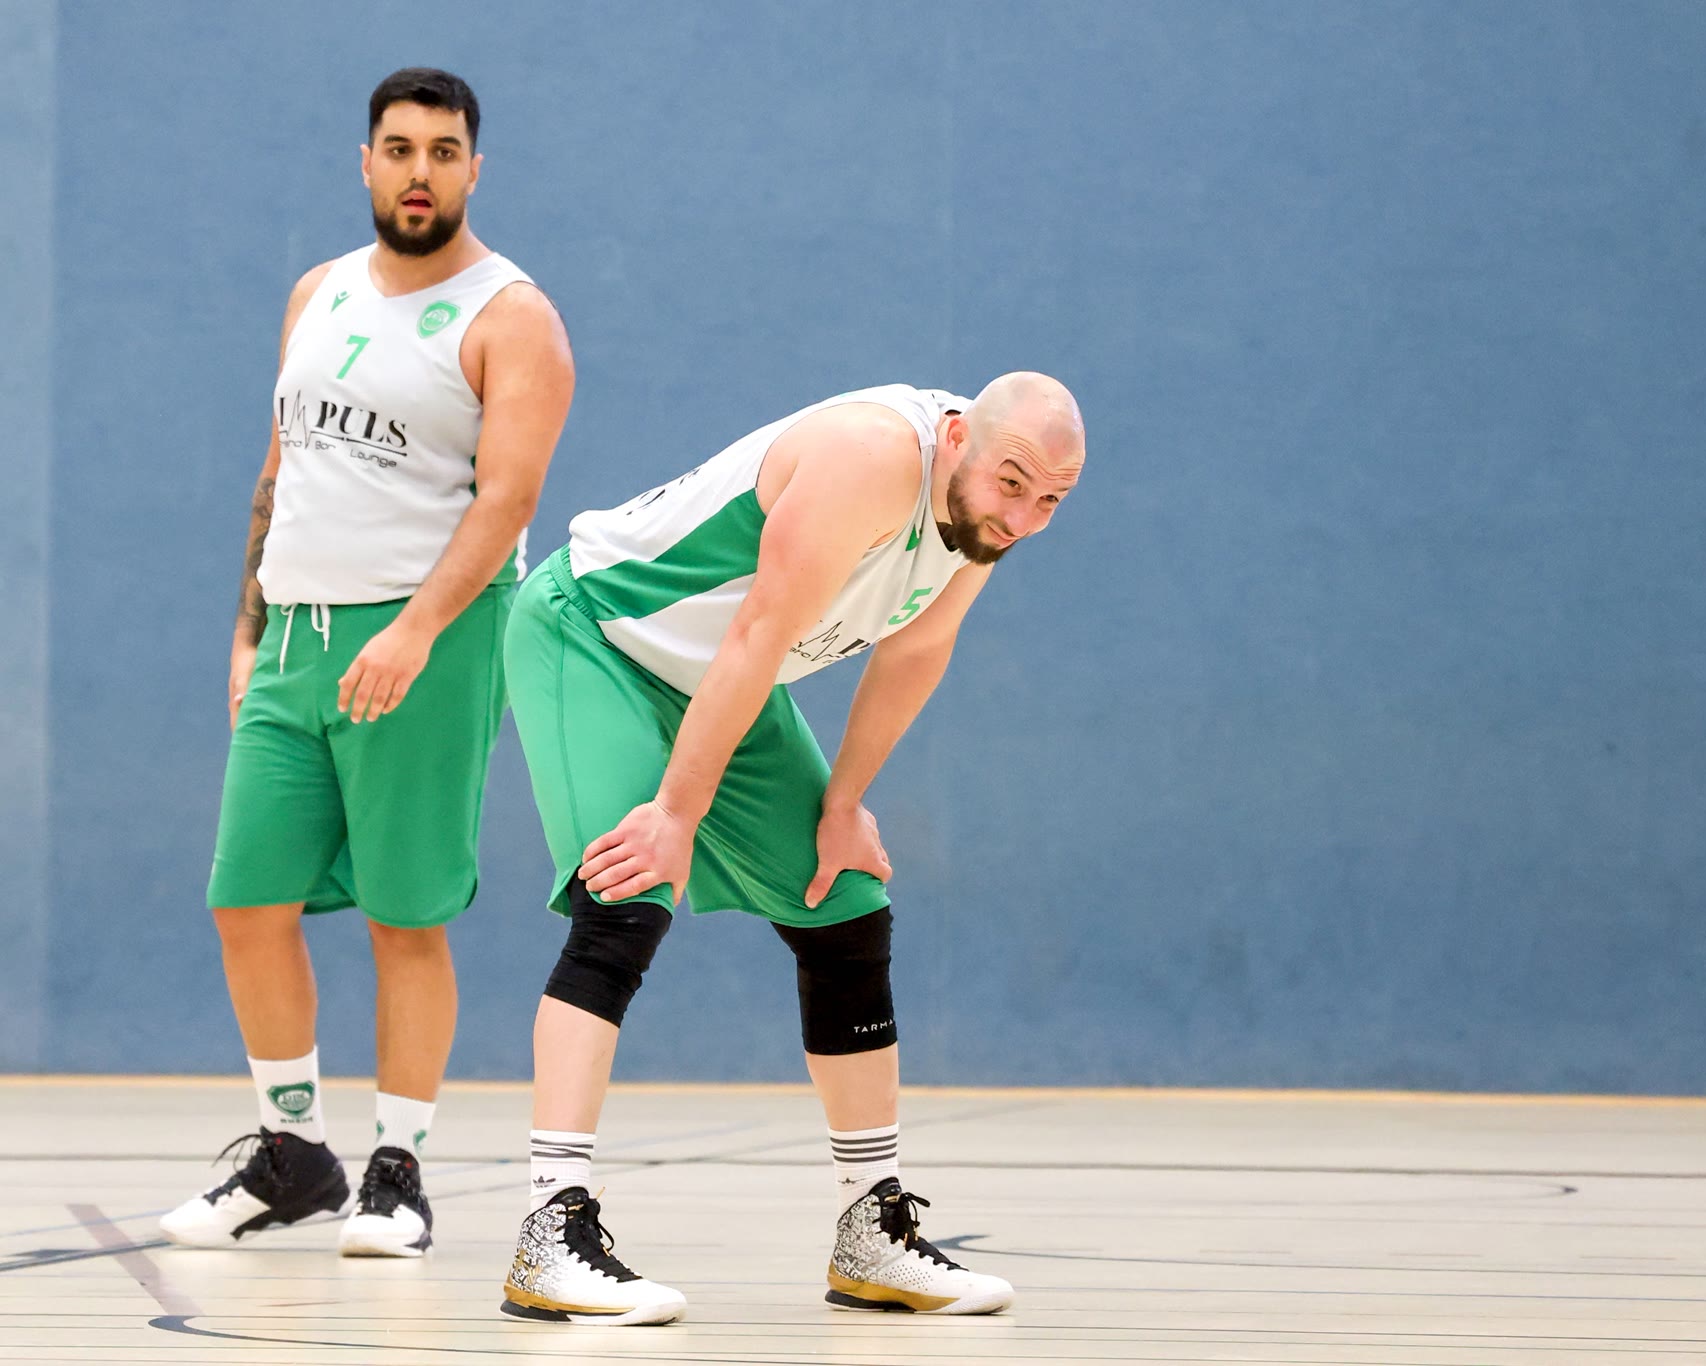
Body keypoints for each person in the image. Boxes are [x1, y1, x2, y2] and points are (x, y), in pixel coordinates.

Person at [494, 374, 1084, 1323]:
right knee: (627, 896)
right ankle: (548, 1231)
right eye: (1013, 484)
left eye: (1051, 500)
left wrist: (844, 802)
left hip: (724, 677)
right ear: (958, 437)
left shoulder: (984, 515)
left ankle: (870, 1232)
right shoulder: (869, 458)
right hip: (596, 635)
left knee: (845, 903)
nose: (1024, 516)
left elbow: (916, 649)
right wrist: (675, 813)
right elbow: (759, 631)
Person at [160, 67, 574, 1258]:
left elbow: (507, 502)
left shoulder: (512, 317)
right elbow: (279, 469)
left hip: (426, 640)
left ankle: (399, 1172)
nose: (418, 173)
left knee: (405, 913)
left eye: (442, 152)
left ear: (473, 169)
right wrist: (247, 630)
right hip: (295, 638)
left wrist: (414, 629)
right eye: (399, 149)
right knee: (246, 901)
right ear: (366, 162)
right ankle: (294, 1154)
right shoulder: (319, 291)